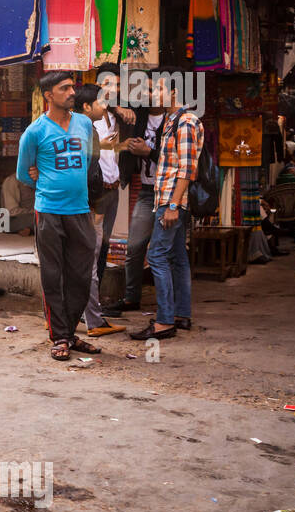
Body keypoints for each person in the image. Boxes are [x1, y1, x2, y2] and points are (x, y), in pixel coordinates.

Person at [16, 71, 99, 361]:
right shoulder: (35, 132)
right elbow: (23, 173)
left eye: (72, 87)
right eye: (64, 88)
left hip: (80, 210)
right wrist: (45, 181)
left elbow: (89, 161)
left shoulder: (85, 124)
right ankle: (60, 336)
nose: (72, 92)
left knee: (80, 275)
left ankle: (71, 331)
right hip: (49, 211)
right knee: (53, 275)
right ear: (49, 95)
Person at [131, 82, 203, 341]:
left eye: (157, 90)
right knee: (177, 256)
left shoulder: (185, 122)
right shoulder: (173, 122)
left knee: (157, 255)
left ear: (174, 92)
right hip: (168, 198)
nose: (151, 95)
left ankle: (163, 322)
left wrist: (172, 205)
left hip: (171, 200)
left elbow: (186, 169)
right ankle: (180, 315)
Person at [102, 70, 170, 317]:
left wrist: (148, 152)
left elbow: (178, 161)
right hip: (146, 192)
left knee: (165, 252)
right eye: (147, 89)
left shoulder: (173, 120)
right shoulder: (138, 114)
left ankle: (168, 309)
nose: (151, 94)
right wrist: (119, 108)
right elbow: (99, 100)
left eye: (156, 89)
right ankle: (132, 298)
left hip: (171, 193)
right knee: (134, 247)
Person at [74, 83, 125, 338]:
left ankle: (66, 318)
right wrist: (95, 205)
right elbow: (89, 171)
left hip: (83, 202)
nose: (105, 105)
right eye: (100, 101)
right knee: (89, 262)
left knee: (84, 260)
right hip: (88, 203)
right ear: (86, 106)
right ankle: (92, 320)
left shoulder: (76, 127)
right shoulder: (84, 130)